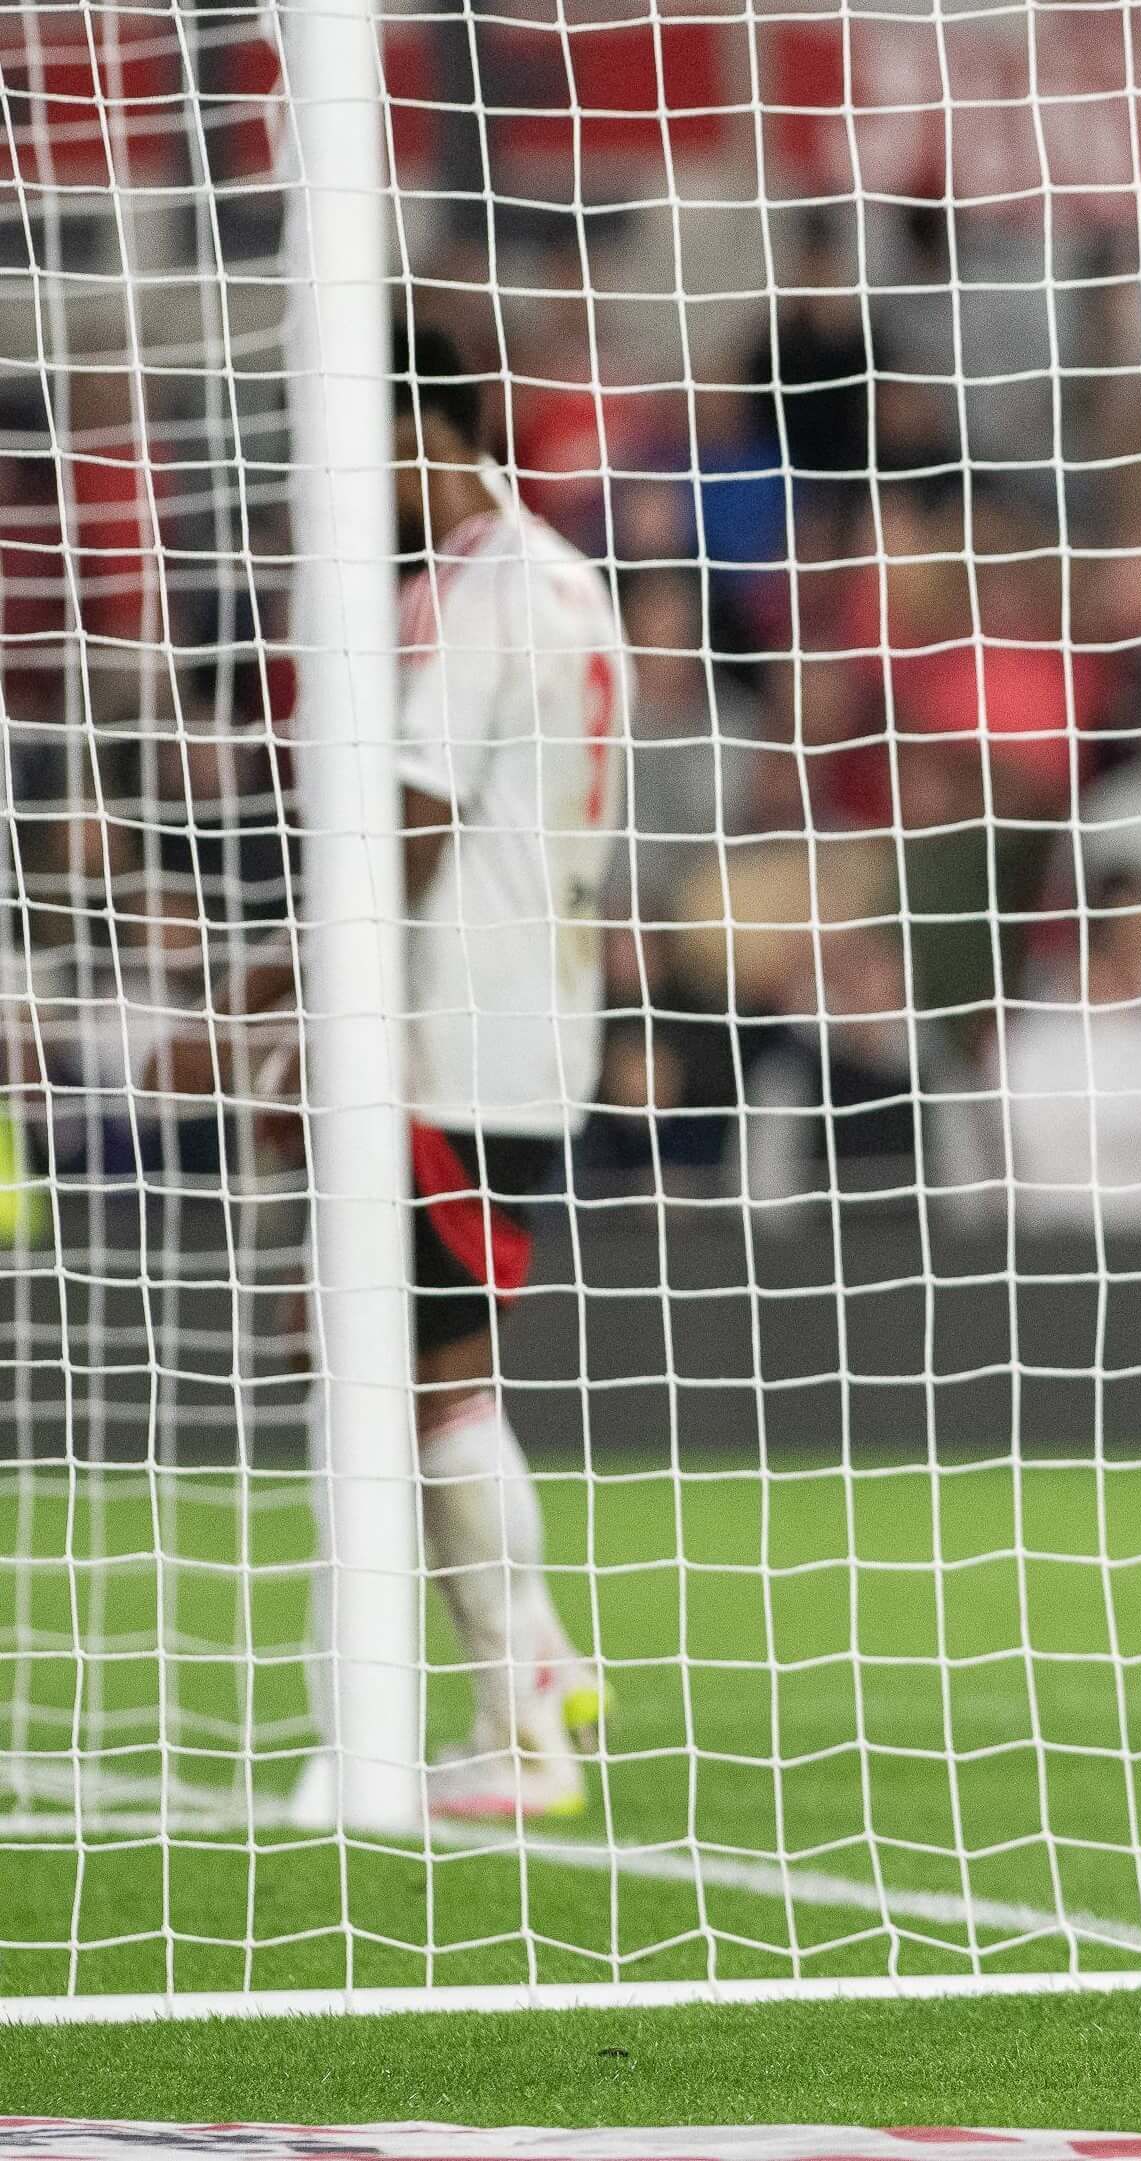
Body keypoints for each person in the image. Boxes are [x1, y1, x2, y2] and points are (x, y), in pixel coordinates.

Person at [388, 322, 630, 1818]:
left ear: (417, 430)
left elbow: (414, 810)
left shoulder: (468, 582)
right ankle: (537, 1661)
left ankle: (519, 1730)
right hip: (542, 1013)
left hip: (450, 1025)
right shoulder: (566, 575)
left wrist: (301, 981)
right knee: (418, 1357)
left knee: (438, 1377)